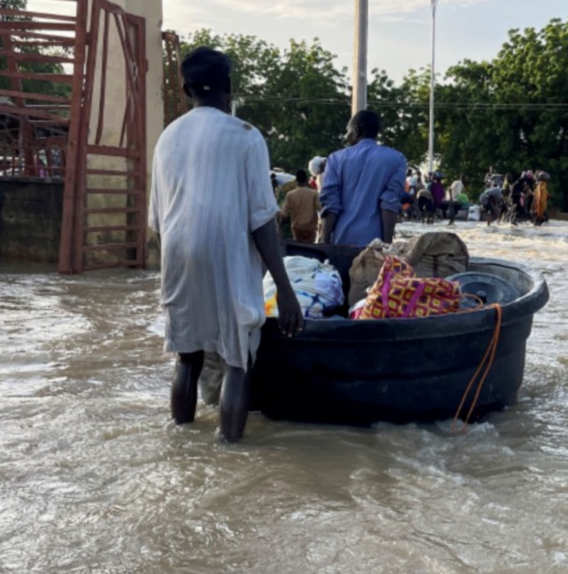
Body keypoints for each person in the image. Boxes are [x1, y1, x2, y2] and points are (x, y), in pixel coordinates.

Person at [148, 46, 303, 444]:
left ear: (185, 89)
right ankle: (229, 452)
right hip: (225, 251)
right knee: (237, 361)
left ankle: (180, 444)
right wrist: (285, 290)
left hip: (176, 252)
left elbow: (157, 219)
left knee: (188, 357)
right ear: (229, 89)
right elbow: (261, 221)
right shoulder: (246, 136)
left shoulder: (166, 139)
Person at [320, 109, 407, 246]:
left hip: (341, 241)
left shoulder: (335, 159)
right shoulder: (397, 159)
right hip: (374, 244)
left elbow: (331, 205)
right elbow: (389, 205)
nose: (347, 136)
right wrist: (387, 245)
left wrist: (324, 243)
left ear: (356, 130)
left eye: (347, 131)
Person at [279, 169, 320, 243]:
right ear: (307, 180)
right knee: (310, 250)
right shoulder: (314, 194)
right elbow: (321, 209)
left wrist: (279, 228)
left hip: (297, 229)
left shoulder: (290, 195)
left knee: (299, 249)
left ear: (296, 180)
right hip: (311, 229)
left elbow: (284, 214)